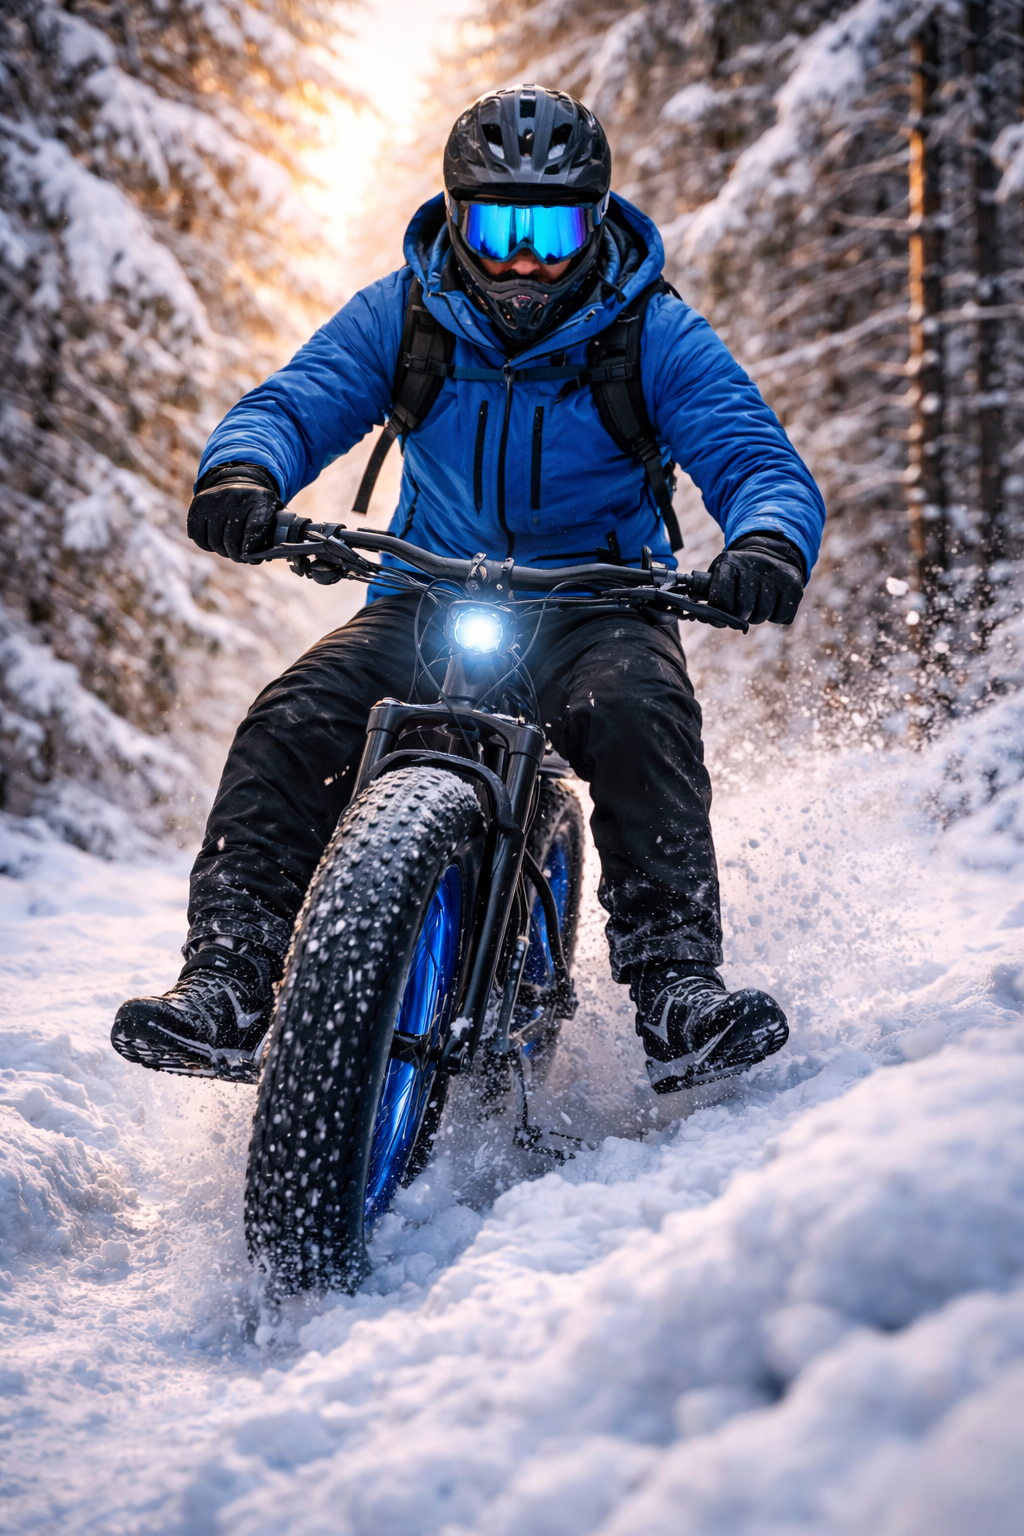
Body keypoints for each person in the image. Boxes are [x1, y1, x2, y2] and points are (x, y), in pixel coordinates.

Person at [111, 86, 824, 1096]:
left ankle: (677, 993)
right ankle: (227, 983)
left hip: (599, 603)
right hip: (428, 593)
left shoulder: (650, 332)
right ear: (455, 217)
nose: (523, 262)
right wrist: (243, 476)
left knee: (639, 714)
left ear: (596, 222)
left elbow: (752, 454)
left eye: (551, 229)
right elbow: (297, 400)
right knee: (292, 717)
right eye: (498, 229)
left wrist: (767, 542)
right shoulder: (405, 314)